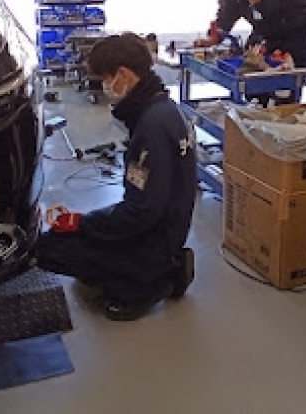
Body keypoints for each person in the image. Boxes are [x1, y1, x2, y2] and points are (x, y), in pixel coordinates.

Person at [36, 33, 198, 321]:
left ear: (123, 74)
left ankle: (151, 282)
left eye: (105, 79)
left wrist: (82, 223)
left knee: (51, 250)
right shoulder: (164, 108)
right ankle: (155, 266)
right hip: (167, 224)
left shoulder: (151, 127)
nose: (105, 87)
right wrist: (86, 222)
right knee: (78, 235)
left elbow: (140, 213)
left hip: (154, 237)